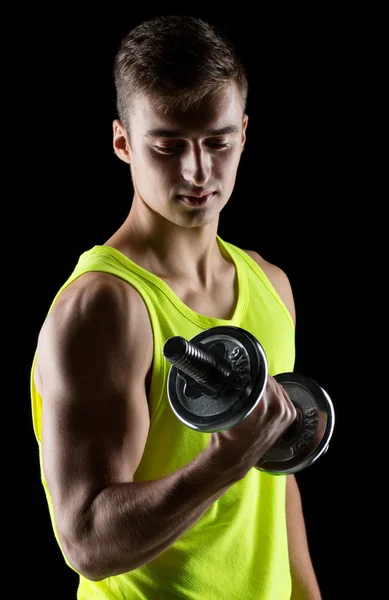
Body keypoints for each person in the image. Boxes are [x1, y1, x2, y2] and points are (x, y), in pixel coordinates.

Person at [30, 14, 323, 599]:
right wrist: (221, 463)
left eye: (218, 142)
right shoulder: (104, 308)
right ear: (123, 143)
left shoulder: (271, 285)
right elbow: (87, 540)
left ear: (244, 132)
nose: (198, 172)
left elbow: (274, 482)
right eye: (167, 146)